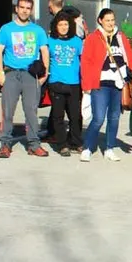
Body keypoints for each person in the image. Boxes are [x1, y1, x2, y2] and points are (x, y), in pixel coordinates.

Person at [80, 8, 132, 162]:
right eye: (107, 20)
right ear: (100, 21)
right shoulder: (93, 38)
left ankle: (109, 148)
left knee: (114, 118)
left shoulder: (121, 37)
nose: (110, 23)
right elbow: (86, 62)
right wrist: (86, 84)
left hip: (119, 83)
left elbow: (130, 59)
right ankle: (87, 147)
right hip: (100, 83)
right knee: (98, 118)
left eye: (112, 20)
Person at [0, 0, 50, 158]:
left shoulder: (37, 30)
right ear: (17, 9)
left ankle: (33, 145)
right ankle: (5, 144)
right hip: (11, 73)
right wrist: (0, 72)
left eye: (28, 8)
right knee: (8, 111)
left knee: (31, 111)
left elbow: (44, 51)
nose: (25, 10)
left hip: (30, 75)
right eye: (22, 7)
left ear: (31, 10)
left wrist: (45, 74)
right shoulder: (6, 29)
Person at [47, 11, 84, 157]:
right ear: (56, 26)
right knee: (58, 116)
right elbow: (43, 59)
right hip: (56, 82)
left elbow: (83, 61)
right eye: (60, 24)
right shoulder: (50, 41)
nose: (63, 27)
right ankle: (62, 144)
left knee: (75, 115)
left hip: (74, 83)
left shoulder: (77, 41)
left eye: (66, 24)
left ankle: (76, 142)